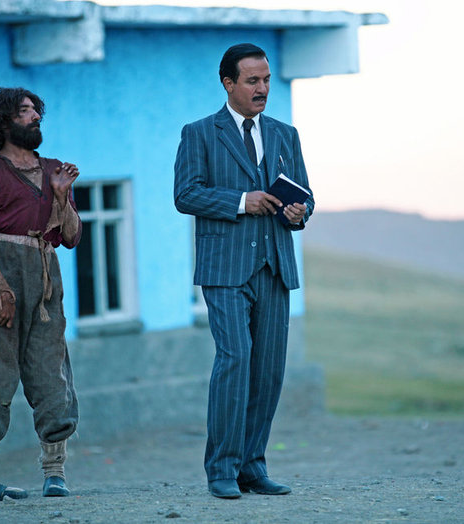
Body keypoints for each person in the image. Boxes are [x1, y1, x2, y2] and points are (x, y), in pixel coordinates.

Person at [174, 43, 315, 499]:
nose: (262, 88)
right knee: (234, 360)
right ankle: (221, 469)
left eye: (267, 80)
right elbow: (185, 195)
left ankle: (252, 467)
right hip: (225, 269)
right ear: (228, 83)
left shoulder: (285, 134)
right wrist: (241, 201)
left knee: (268, 371)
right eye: (252, 80)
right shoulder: (199, 133)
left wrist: (298, 212)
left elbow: (306, 196)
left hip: (275, 266)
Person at [0, 87, 81, 503]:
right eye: (25, 112)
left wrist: (61, 196)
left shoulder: (54, 169)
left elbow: (70, 237)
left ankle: (55, 473)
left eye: (35, 111)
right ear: (3, 122)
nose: (35, 117)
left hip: (44, 276)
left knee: (51, 370)